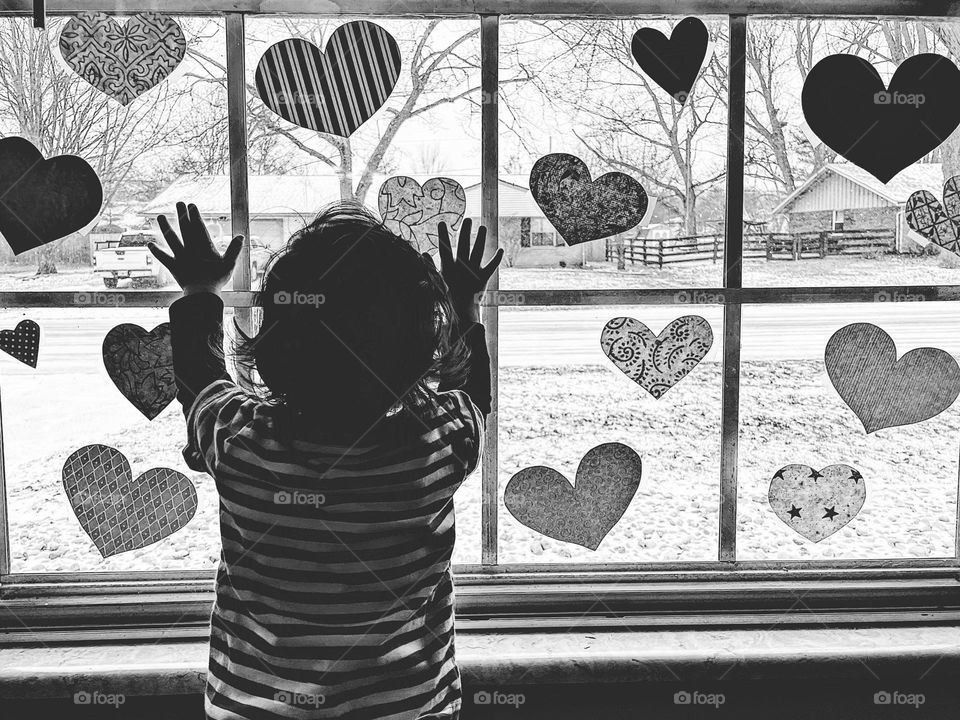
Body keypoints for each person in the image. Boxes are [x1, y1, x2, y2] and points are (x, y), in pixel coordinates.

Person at [149, 201, 502, 720]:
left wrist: (201, 292)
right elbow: (475, 397)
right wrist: (465, 308)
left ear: (273, 345)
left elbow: (198, 381)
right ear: (420, 348)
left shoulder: (240, 440)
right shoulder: (438, 442)